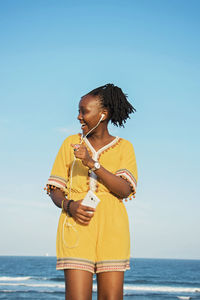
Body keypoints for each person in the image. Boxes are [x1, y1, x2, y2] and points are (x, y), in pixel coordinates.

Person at [45, 83, 138, 300]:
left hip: (113, 229)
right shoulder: (70, 143)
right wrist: (70, 205)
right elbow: (54, 188)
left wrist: (92, 163)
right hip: (77, 226)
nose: (79, 117)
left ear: (103, 114)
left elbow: (125, 189)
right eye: (78, 111)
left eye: (84, 111)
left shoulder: (125, 147)